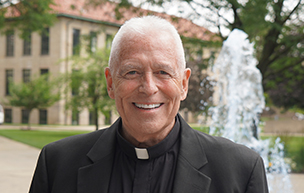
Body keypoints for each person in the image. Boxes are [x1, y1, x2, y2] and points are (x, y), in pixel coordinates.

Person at [29, 16, 268, 193]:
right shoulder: (57, 164)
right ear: (111, 83)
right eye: (132, 72)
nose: (149, 87)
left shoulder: (241, 171)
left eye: (163, 72)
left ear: (183, 84)